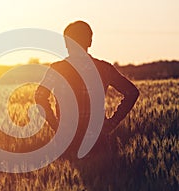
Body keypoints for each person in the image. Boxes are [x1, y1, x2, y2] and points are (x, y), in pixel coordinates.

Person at [35, 20, 139, 160]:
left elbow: (40, 96)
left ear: (66, 43)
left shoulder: (58, 69)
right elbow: (132, 92)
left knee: (70, 181)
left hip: (66, 142)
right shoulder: (104, 69)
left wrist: (56, 125)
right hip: (98, 141)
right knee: (102, 180)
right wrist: (110, 124)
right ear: (89, 42)